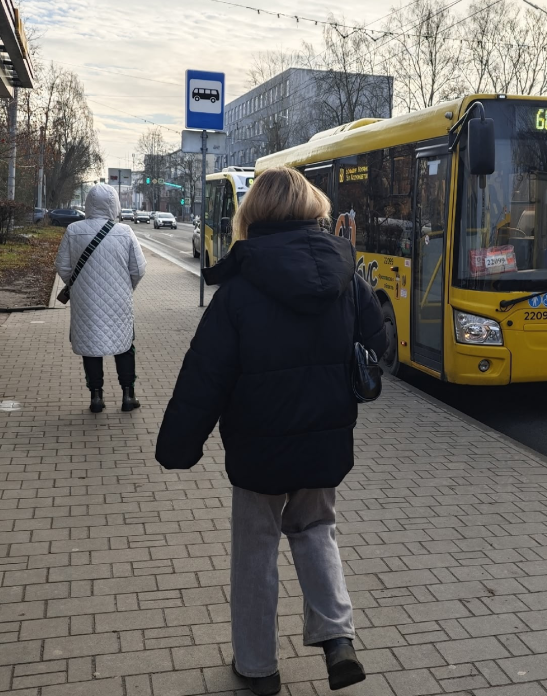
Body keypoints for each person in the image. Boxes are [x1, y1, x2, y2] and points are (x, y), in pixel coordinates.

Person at [155, 167, 387, 696]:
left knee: (256, 548)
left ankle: (258, 669)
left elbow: (205, 375)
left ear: (253, 213)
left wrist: (177, 446)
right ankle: (337, 639)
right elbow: (380, 347)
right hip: (325, 439)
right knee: (316, 528)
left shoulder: (239, 287)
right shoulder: (347, 275)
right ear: (313, 208)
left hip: (258, 447)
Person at [54, 183, 146, 413]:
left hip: (85, 303)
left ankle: (96, 397)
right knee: (125, 347)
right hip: (119, 303)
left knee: (90, 348)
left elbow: (62, 266)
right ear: (114, 204)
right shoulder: (124, 232)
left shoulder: (74, 230)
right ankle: (128, 395)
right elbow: (139, 269)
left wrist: (77, 287)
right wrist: (127, 287)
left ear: (88, 204)